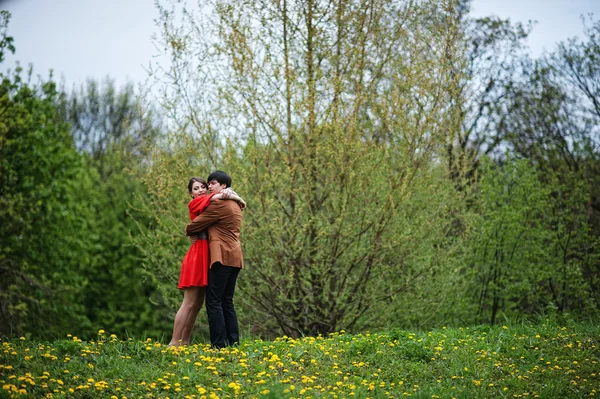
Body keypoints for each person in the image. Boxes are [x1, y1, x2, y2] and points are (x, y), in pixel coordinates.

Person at [169, 177, 245, 347]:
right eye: (197, 188)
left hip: (210, 254)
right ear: (191, 193)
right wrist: (233, 195)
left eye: (205, 186)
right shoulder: (202, 202)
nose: (203, 189)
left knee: (198, 304)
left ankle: (185, 341)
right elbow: (193, 225)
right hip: (199, 254)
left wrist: (231, 194)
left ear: (222, 185)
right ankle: (175, 342)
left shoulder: (215, 203)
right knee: (191, 302)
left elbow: (194, 226)